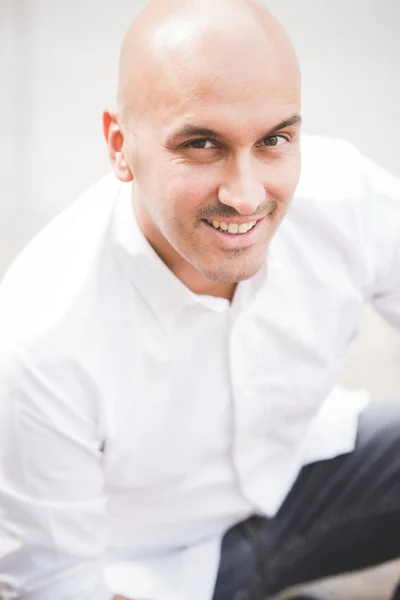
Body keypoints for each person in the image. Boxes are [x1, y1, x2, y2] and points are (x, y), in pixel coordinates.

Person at [0, 0, 399, 598]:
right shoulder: (38, 339)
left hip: (302, 471)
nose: (245, 196)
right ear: (119, 144)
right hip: (149, 572)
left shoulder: (345, 196)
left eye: (274, 139)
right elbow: (55, 585)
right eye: (201, 143)